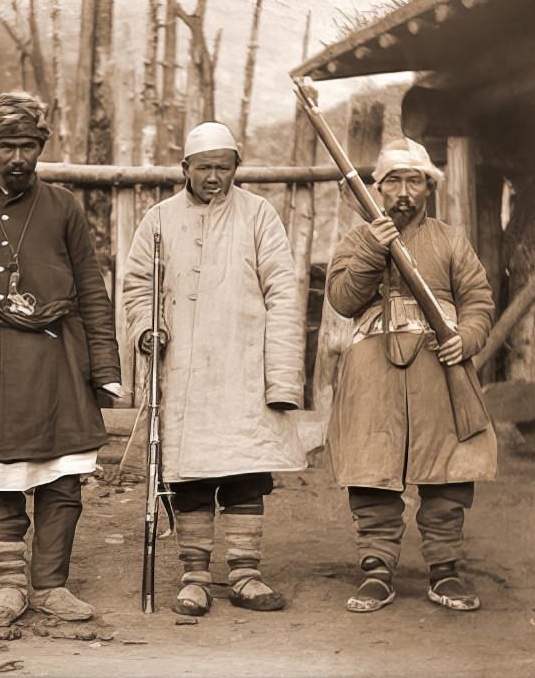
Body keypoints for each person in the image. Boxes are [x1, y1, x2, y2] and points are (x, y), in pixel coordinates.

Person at [0, 91, 122, 627]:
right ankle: (10, 584)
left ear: (42, 145)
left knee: (62, 479)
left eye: (28, 146)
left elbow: (90, 288)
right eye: (6, 146)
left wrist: (103, 367)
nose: (17, 158)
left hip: (58, 354)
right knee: (1, 476)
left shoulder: (63, 206)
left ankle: (50, 586)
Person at [121, 121, 306, 616]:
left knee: (245, 474)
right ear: (185, 168)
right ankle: (195, 576)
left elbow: (284, 293)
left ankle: (245, 574)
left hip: (244, 368)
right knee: (191, 478)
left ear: (235, 169)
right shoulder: (159, 220)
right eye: (204, 168)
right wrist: (147, 327)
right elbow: (137, 286)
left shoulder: (259, 215)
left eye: (224, 169)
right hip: (182, 373)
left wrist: (281, 378)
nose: (214, 178)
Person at [326, 137, 496, 613]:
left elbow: (479, 301)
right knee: (372, 470)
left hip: (438, 367)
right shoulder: (359, 239)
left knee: (448, 472)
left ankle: (445, 570)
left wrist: (467, 336)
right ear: (377, 188)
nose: (404, 191)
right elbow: (341, 300)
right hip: (372, 371)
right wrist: (373, 253)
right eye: (394, 181)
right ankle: (377, 571)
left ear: (429, 188)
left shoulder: (450, 240)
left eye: (414, 181)